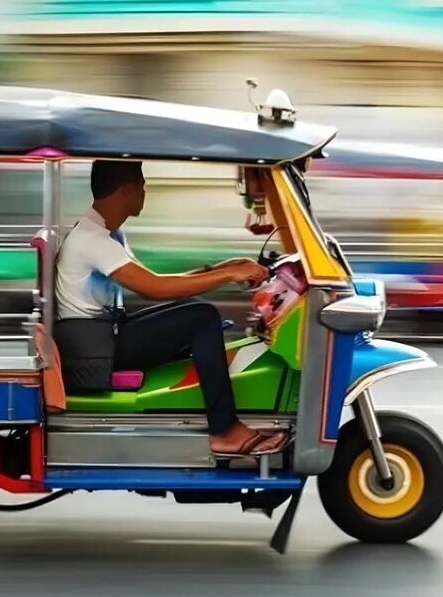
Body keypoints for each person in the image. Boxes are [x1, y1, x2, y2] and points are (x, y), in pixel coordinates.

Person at [53, 159, 289, 456]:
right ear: (126, 190)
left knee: (193, 308)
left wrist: (221, 268)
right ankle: (225, 430)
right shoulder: (92, 240)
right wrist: (226, 275)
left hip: (103, 339)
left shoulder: (106, 234)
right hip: (95, 354)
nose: (144, 191)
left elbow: (155, 282)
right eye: (142, 185)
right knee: (202, 317)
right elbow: (154, 289)